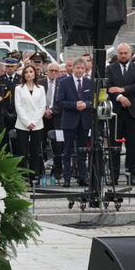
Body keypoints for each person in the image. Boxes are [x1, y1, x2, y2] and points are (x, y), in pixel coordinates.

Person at [106, 42, 135, 185]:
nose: (123, 56)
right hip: (116, 113)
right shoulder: (110, 69)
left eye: (125, 53)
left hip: (132, 112)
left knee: (133, 145)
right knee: (114, 145)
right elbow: (108, 88)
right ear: (117, 54)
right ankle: (113, 174)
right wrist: (119, 97)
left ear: (131, 54)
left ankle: (132, 173)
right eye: (120, 53)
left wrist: (123, 91)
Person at [56, 57, 93, 188]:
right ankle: (66, 177)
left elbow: (93, 101)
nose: (80, 70)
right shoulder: (64, 82)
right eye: (77, 68)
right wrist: (74, 105)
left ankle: (82, 177)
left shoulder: (89, 82)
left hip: (84, 121)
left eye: (82, 68)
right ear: (73, 68)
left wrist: (86, 104)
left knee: (82, 150)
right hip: (69, 121)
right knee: (67, 151)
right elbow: (59, 101)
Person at [15, 64, 47, 184]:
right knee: (22, 151)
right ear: (23, 74)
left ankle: (35, 175)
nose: (29, 74)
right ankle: (23, 177)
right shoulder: (18, 88)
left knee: (35, 150)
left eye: (31, 72)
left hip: (37, 123)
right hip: (22, 124)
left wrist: (34, 121)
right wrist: (27, 122)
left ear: (35, 74)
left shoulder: (41, 89)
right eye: (26, 72)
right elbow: (18, 106)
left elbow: (42, 106)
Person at [40, 63, 62, 180]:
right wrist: (43, 111)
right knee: (41, 143)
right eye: (51, 70)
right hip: (42, 117)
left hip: (57, 117)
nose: (53, 72)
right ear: (47, 71)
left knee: (57, 145)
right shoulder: (40, 83)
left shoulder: (62, 83)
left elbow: (62, 100)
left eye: (55, 70)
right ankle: (41, 170)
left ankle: (57, 170)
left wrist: (52, 111)